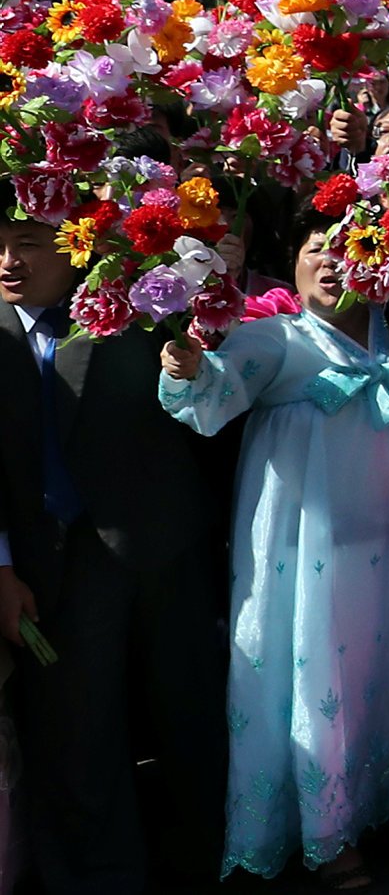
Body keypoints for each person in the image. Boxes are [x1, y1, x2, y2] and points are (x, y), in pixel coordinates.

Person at [155, 221, 389, 884]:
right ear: (294, 266)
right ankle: (326, 831)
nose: (332, 263)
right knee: (315, 673)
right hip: (307, 553)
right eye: (316, 251)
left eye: (349, 252)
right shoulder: (273, 337)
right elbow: (213, 400)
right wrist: (187, 367)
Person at [0, 203, 232, 892]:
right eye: (1, 247)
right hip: (50, 564)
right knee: (77, 735)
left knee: (187, 714)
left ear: (76, 250)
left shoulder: (132, 312)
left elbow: (203, 397)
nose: (10, 262)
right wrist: (3, 567)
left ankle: (209, 860)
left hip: (160, 546)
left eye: (30, 244)